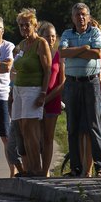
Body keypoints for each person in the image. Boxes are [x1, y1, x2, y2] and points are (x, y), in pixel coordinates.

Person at [60, 3, 101, 177]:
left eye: (83, 14)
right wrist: (84, 48)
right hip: (72, 83)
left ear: (88, 16)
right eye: (77, 15)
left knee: (94, 125)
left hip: (91, 82)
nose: (80, 17)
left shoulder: (94, 32)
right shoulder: (67, 33)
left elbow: (96, 53)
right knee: (72, 127)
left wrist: (75, 51)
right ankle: (76, 167)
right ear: (72, 18)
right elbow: (62, 53)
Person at [11, 8, 51, 177]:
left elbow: (47, 69)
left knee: (31, 127)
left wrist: (43, 92)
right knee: (22, 128)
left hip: (33, 89)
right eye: (21, 25)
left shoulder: (40, 43)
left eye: (27, 25)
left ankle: (38, 168)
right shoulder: (21, 45)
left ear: (35, 25)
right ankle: (30, 167)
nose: (24, 28)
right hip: (18, 89)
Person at [38, 21, 65, 177]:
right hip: (36, 100)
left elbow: (63, 82)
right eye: (47, 36)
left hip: (52, 100)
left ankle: (45, 171)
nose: (50, 39)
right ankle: (35, 166)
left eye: (53, 36)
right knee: (37, 138)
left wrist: (47, 99)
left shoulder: (59, 54)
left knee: (48, 137)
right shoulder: (37, 53)